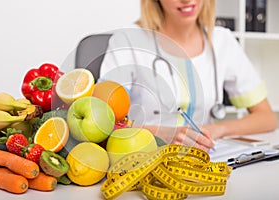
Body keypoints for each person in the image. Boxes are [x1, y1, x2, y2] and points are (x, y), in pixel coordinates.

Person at [99, 0, 277, 152]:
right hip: (144, 158)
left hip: (204, 161)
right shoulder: (128, 40)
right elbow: (104, 123)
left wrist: (215, 130)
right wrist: (166, 134)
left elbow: (267, 118)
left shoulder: (222, 40)